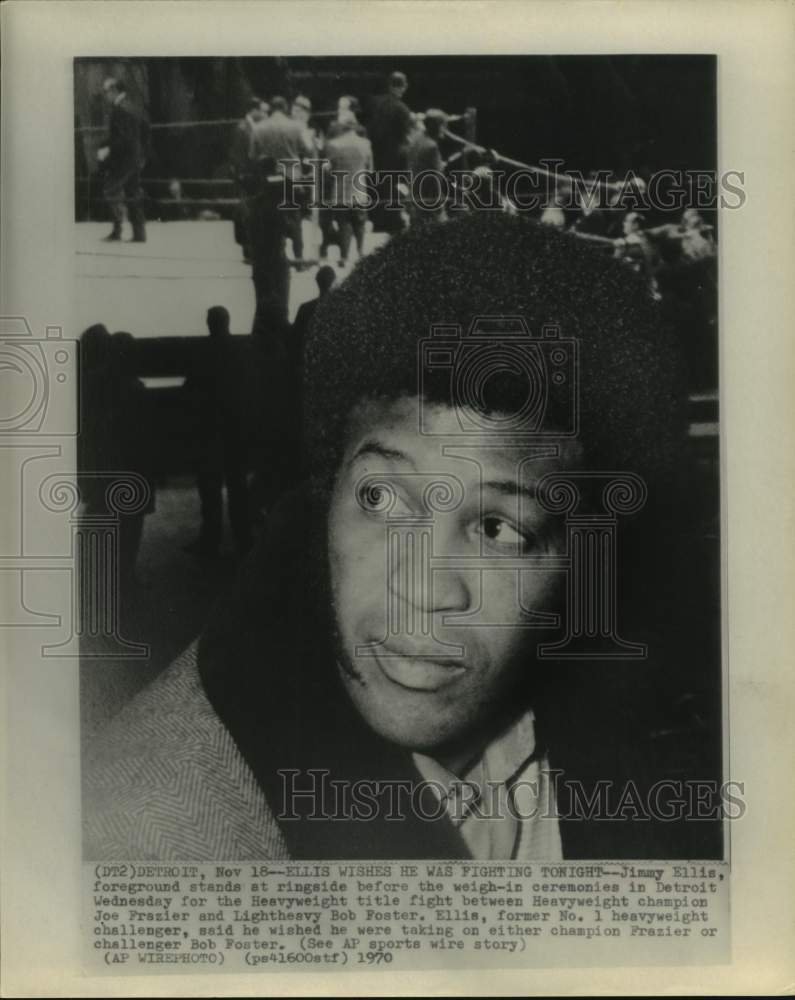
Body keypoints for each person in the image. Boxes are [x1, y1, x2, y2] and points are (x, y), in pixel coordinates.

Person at [84, 214, 721, 861]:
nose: (422, 587)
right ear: (324, 495)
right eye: (381, 498)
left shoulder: (699, 743)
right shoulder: (139, 834)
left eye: (497, 528)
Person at [182, 306, 253, 559]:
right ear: (228, 322)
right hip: (236, 426)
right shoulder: (241, 350)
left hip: (210, 428)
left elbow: (190, 388)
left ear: (209, 324)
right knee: (237, 485)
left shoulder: (201, 351)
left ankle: (210, 540)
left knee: (210, 487)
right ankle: (243, 539)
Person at [249, 96, 314, 267]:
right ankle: (298, 259)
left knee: (269, 217)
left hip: (269, 177)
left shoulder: (258, 128)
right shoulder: (296, 126)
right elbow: (306, 151)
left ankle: (272, 256)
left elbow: (253, 155)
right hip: (291, 176)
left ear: (270, 109)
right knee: (294, 217)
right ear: (286, 109)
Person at [96, 77, 149, 243]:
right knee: (132, 193)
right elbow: (144, 130)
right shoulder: (131, 106)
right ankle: (139, 234)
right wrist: (142, 153)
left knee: (110, 189)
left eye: (106, 91)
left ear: (114, 91)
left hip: (124, 160)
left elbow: (122, 138)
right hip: (133, 158)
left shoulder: (121, 109)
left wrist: (107, 149)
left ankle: (118, 229)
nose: (105, 95)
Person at [322, 111, 373, 266]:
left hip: (340, 189)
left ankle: (344, 256)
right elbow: (370, 169)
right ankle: (360, 251)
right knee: (360, 222)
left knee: (343, 223)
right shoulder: (365, 144)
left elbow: (328, 169)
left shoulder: (333, 145)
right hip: (359, 189)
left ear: (341, 127)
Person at [368, 71, 413, 234]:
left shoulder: (375, 103)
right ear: (403, 87)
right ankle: (393, 220)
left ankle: (377, 220)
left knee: (379, 186)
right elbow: (406, 136)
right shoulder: (402, 109)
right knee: (394, 188)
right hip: (394, 155)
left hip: (376, 153)